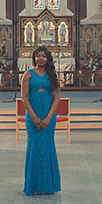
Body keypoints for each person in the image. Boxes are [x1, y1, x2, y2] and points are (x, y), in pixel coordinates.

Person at [21, 45, 61, 195]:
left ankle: (47, 186)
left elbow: (57, 97)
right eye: (38, 56)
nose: (41, 59)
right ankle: (33, 185)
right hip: (33, 116)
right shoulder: (28, 74)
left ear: (48, 58)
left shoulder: (53, 76)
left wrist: (49, 117)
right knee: (34, 148)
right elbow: (24, 98)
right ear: (34, 58)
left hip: (48, 116)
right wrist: (34, 117)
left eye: (43, 56)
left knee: (47, 147)